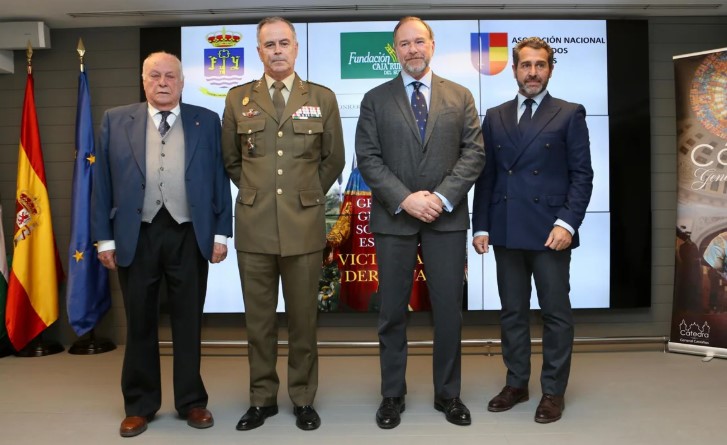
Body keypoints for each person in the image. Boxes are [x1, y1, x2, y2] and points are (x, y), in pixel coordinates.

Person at [92, 52, 232, 437]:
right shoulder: (116, 120)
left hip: (190, 234)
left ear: (183, 82)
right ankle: (139, 404)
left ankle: (192, 401)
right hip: (136, 234)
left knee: (189, 322)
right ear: (143, 80)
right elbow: (101, 182)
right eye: (155, 75)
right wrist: (104, 238)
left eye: (171, 76)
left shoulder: (207, 121)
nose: (163, 82)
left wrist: (221, 233)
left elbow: (220, 181)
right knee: (139, 321)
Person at [355, 16, 485, 429]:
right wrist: (407, 199)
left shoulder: (460, 95)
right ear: (396, 51)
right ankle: (392, 394)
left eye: (419, 41)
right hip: (395, 220)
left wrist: (442, 197)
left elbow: (474, 154)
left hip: (446, 221)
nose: (412, 49)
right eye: (404, 44)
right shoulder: (375, 99)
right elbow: (369, 160)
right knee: (392, 312)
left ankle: (448, 394)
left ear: (432, 45)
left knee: (449, 311)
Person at [221, 16, 345, 432]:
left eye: (284, 43)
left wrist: (305, 194)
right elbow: (232, 162)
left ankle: (304, 398)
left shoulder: (322, 99)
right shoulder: (238, 99)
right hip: (254, 228)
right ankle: (261, 399)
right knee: (258, 323)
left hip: (304, 226)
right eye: (268, 44)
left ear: (296, 48)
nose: (277, 51)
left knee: (303, 322)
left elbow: (333, 160)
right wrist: (257, 192)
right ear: (259, 51)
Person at [472, 36, 594, 424]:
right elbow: (486, 176)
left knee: (556, 314)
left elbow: (582, 176)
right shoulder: (495, 115)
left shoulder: (569, 112)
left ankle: (553, 392)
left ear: (551, 69)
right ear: (514, 70)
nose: (533, 72)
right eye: (526, 65)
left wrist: (567, 223)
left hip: (550, 232)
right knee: (512, 313)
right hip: (507, 230)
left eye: (540, 65)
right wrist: (481, 226)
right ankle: (517, 384)